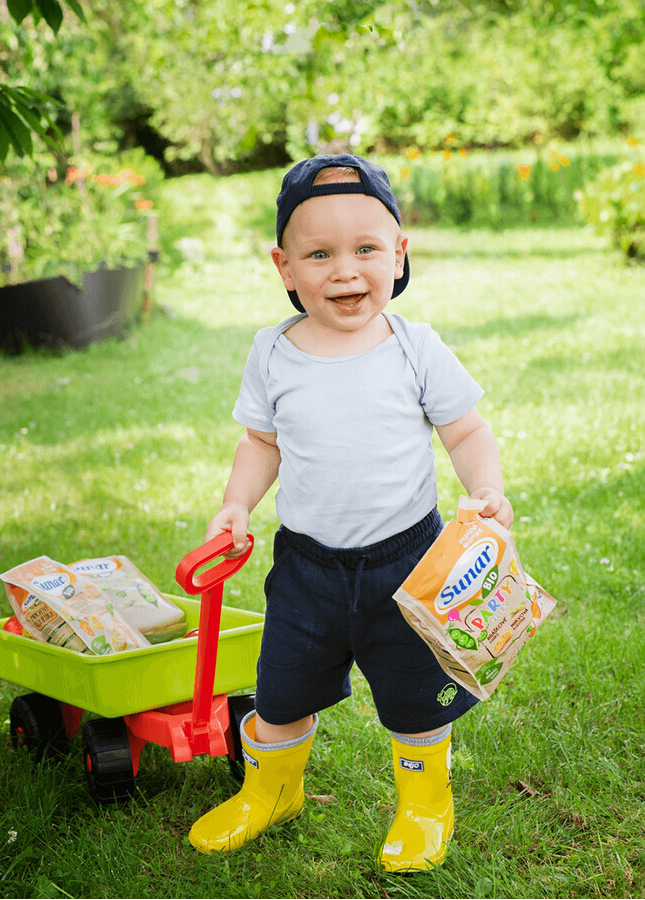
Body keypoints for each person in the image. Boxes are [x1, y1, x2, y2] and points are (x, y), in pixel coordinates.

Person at [189, 153, 513, 872]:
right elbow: (259, 443)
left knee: (415, 700)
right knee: (280, 690)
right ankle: (272, 790)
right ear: (284, 266)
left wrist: (486, 492)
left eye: (366, 249)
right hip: (307, 568)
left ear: (399, 255)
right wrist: (236, 503)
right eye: (319, 254)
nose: (345, 271)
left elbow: (465, 430)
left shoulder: (414, 348)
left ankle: (425, 804)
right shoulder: (273, 352)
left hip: (409, 562)